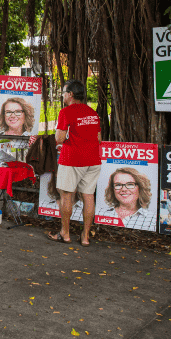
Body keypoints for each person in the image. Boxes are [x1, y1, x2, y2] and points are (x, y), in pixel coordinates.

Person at [47, 79, 101, 246]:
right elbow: (99, 138)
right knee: (88, 196)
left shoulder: (66, 112)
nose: (62, 96)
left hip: (72, 159)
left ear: (70, 94)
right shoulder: (93, 113)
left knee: (66, 195)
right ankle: (85, 237)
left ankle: (65, 233)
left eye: (63, 92)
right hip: (93, 159)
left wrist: (65, 140)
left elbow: (59, 138)